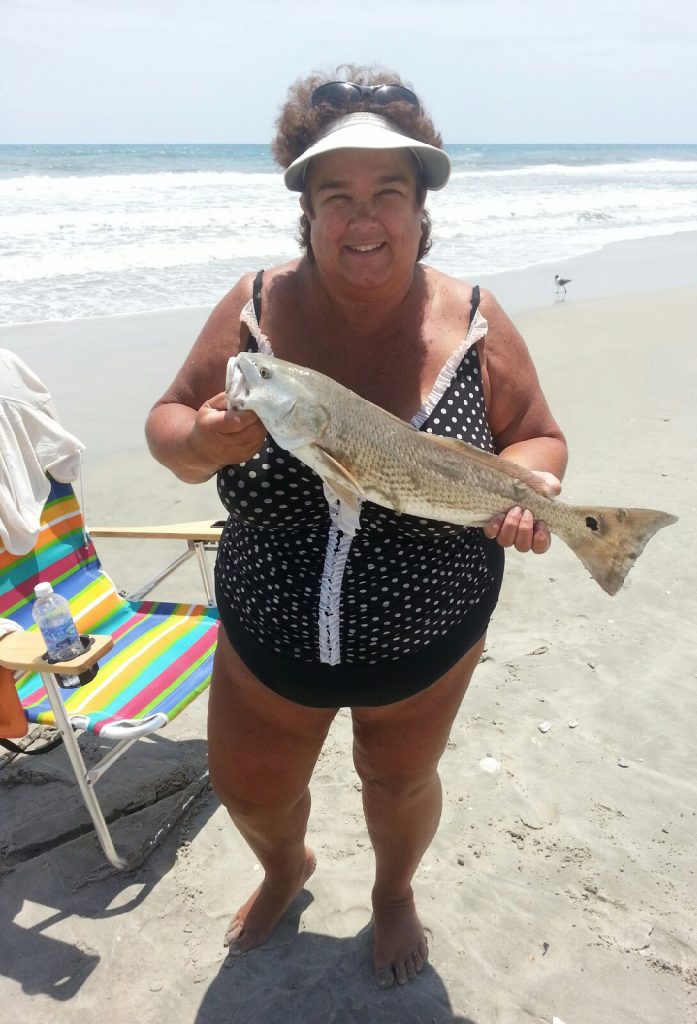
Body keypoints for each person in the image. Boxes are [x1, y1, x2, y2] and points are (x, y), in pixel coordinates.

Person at [145, 65, 567, 989]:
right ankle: (283, 868)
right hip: (267, 631)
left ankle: (393, 895)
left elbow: (536, 436)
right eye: (337, 195)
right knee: (250, 787)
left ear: (422, 210)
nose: (362, 219)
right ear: (307, 209)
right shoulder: (252, 315)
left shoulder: (478, 325)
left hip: (425, 635)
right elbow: (167, 426)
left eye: (388, 194)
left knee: (399, 787)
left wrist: (526, 496)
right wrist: (208, 443)